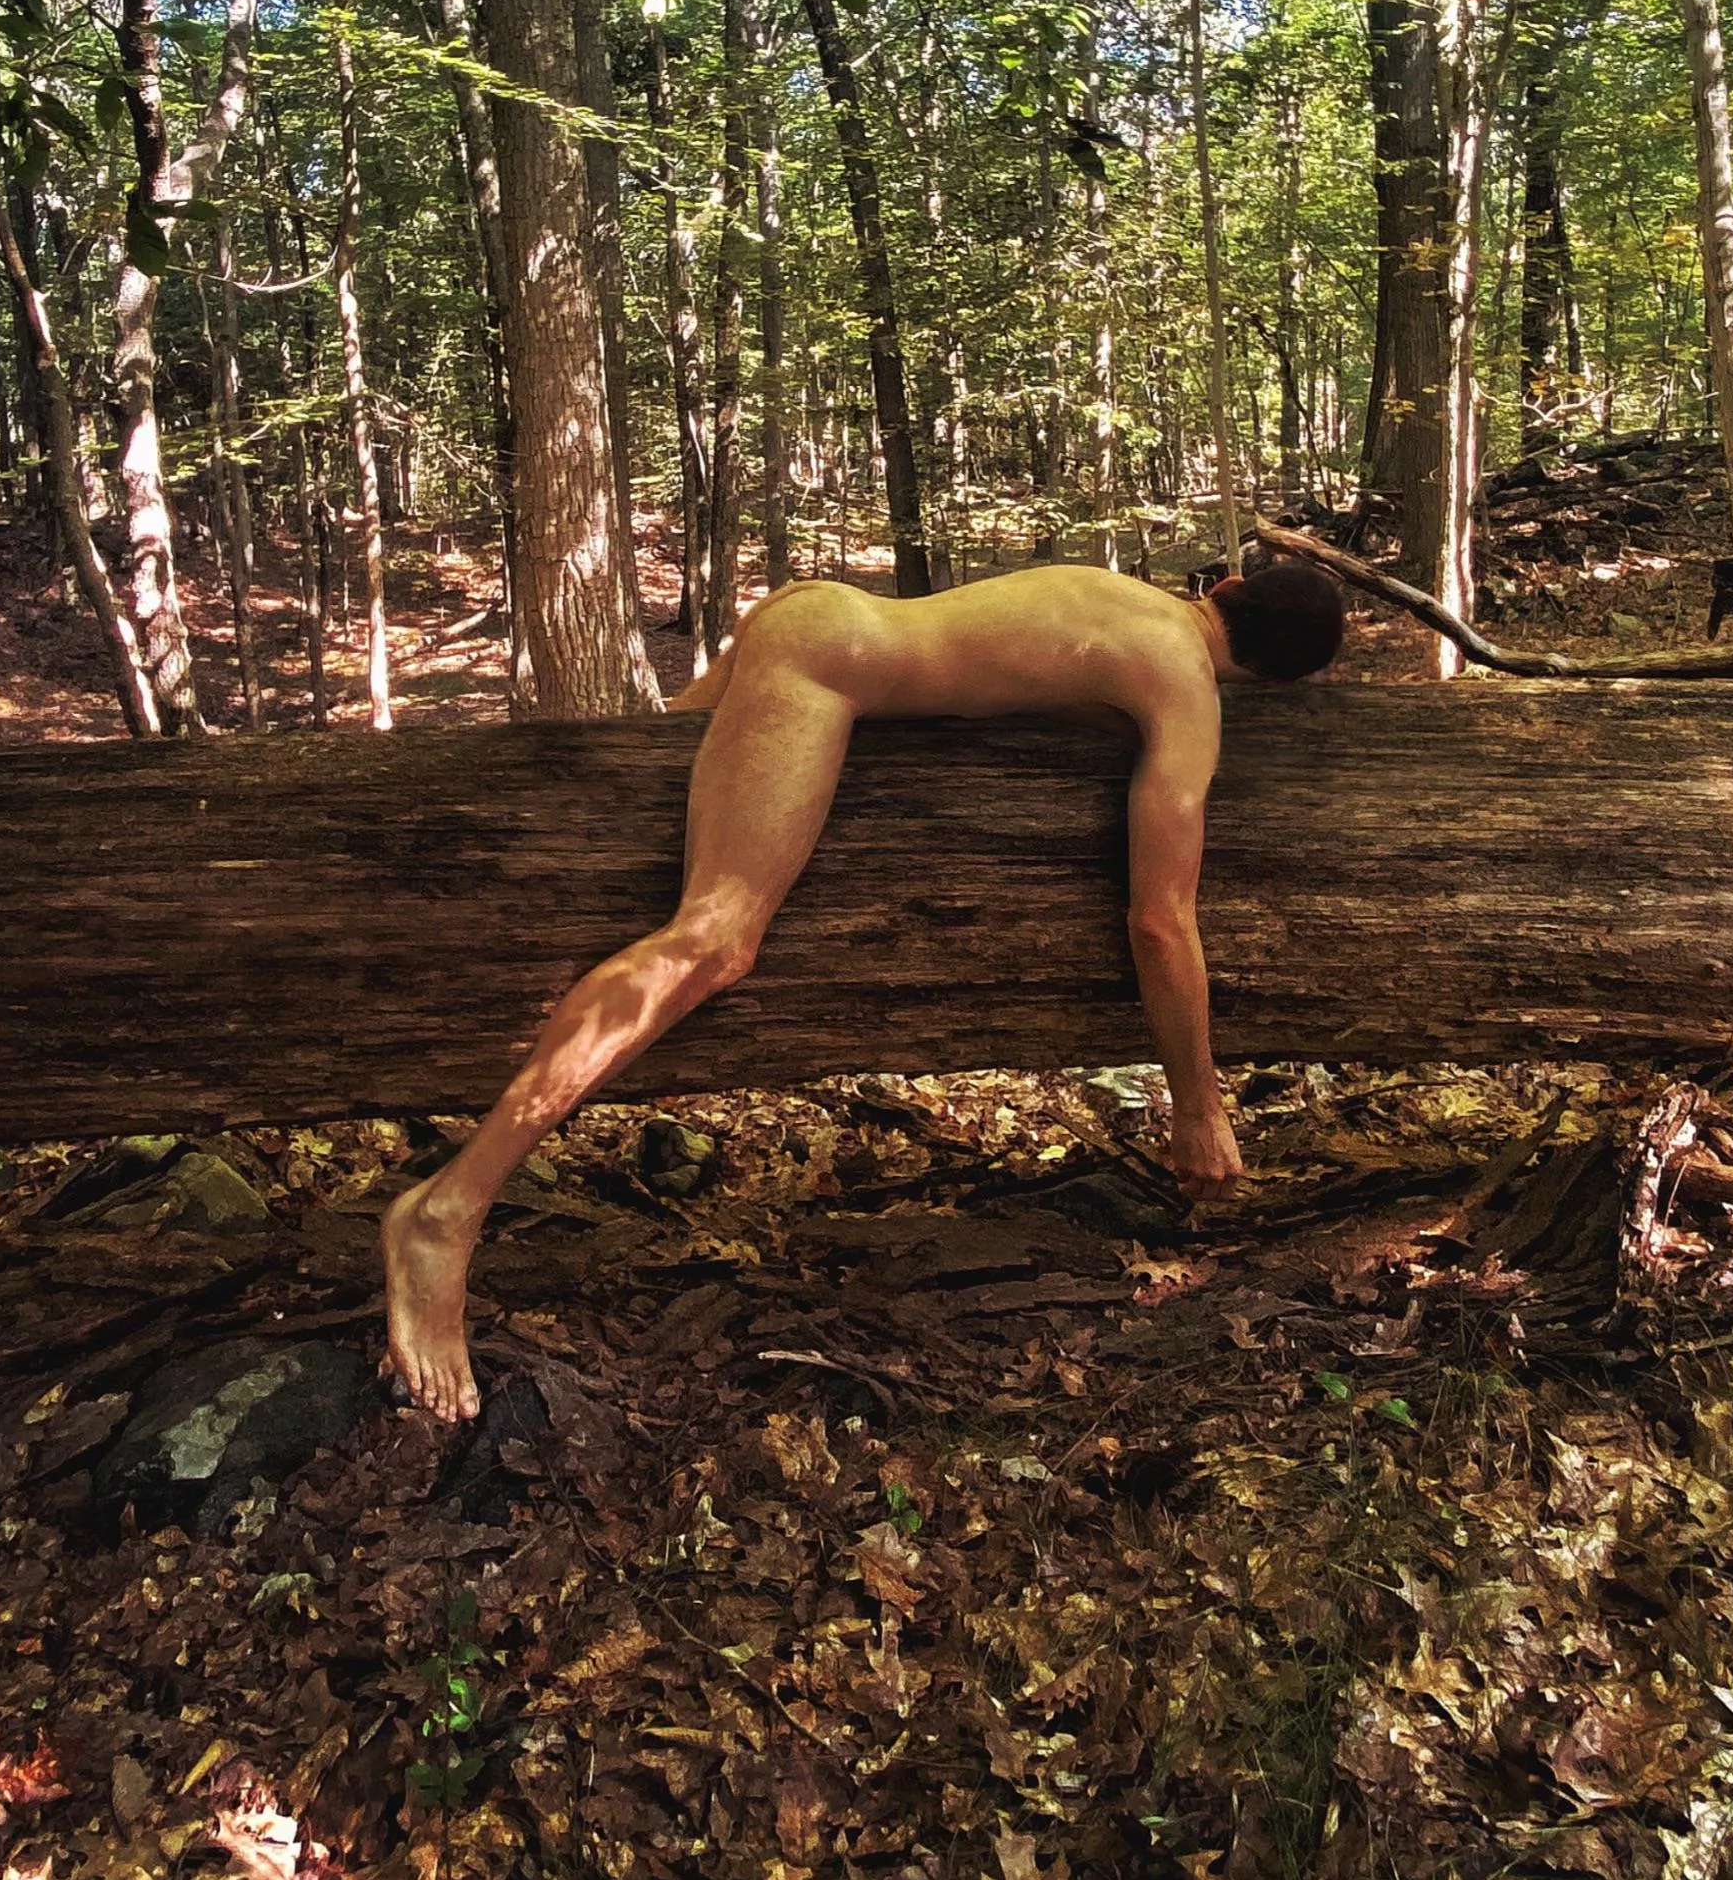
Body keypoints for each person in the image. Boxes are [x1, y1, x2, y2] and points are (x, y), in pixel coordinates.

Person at [380, 556, 1349, 1419]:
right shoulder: (1184, 685)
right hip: (822, 659)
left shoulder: (1128, 598)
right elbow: (1158, 919)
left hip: (812, 610)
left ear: (1219, 591)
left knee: (611, 816)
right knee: (714, 938)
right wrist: (1197, 1103)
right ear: (1280, 679)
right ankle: (447, 1209)